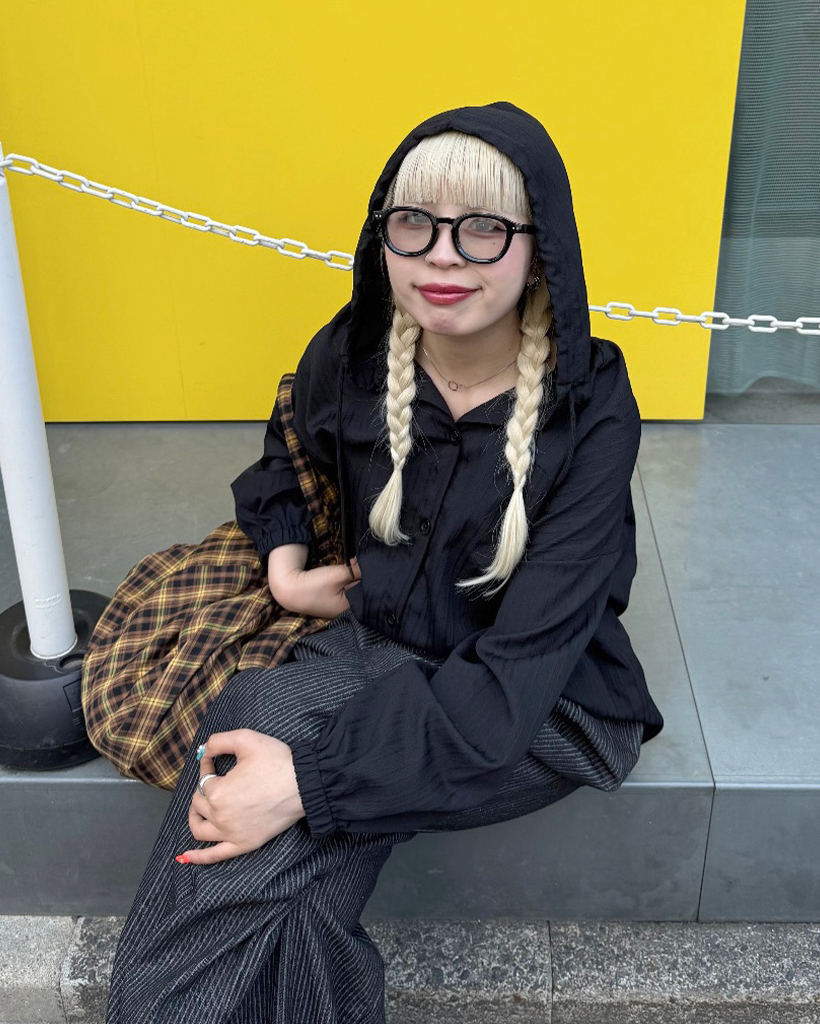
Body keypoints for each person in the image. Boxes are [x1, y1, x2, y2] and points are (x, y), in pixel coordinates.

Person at [105, 100, 664, 1024]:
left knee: (262, 732)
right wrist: (286, 568)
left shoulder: (590, 407)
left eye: (483, 229)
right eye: (415, 224)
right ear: (384, 236)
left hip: (539, 707)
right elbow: (286, 456)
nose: (442, 257)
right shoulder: (357, 353)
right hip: (378, 652)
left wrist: (306, 785)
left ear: (539, 250)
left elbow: (516, 678)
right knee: (293, 884)